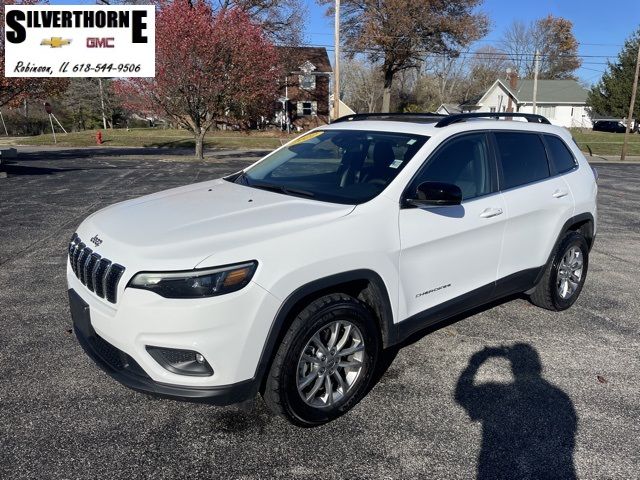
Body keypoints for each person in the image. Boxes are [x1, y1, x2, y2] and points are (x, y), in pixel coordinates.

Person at [455, 344, 577, 479]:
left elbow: (462, 394)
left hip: (498, 471)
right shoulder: (560, 397)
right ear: (538, 366)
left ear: (513, 367)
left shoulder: (497, 394)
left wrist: (476, 361)